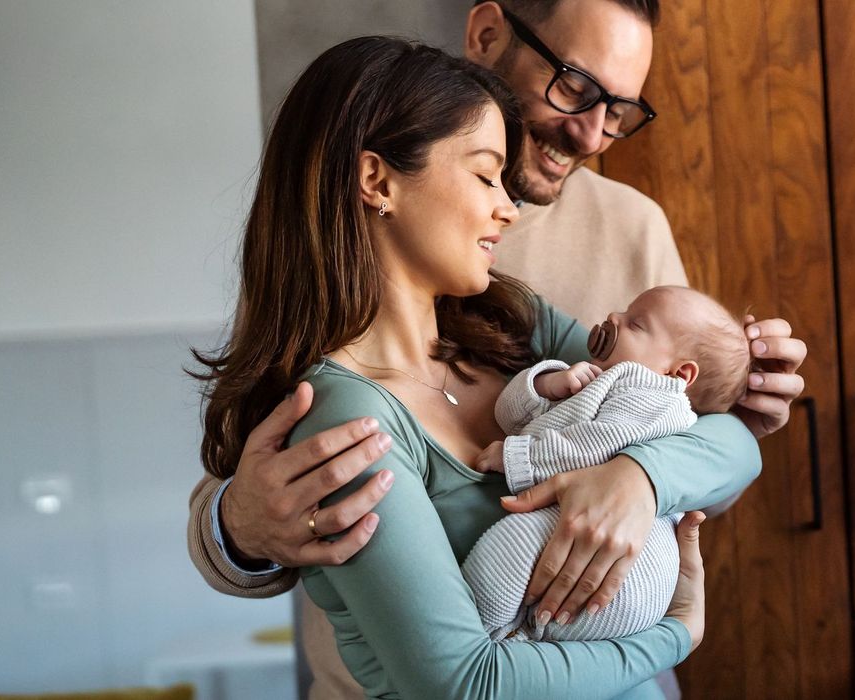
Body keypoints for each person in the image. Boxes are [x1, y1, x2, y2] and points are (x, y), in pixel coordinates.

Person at [185, 1, 808, 697]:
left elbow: (715, 434)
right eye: (574, 86)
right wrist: (240, 524)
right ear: (376, 182)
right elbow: (461, 678)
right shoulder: (340, 395)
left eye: (619, 112)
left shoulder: (513, 310)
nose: (594, 133)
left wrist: (640, 477)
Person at [463, 286, 750, 643]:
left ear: (679, 373)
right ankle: (512, 637)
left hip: (632, 572)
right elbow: (509, 417)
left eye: (636, 324)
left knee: (510, 545)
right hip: (602, 563)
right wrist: (546, 384)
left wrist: (517, 457)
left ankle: (480, 636)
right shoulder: (603, 381)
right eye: (624, 312)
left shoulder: (657, 398)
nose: (614, 318)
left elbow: (591, 446)